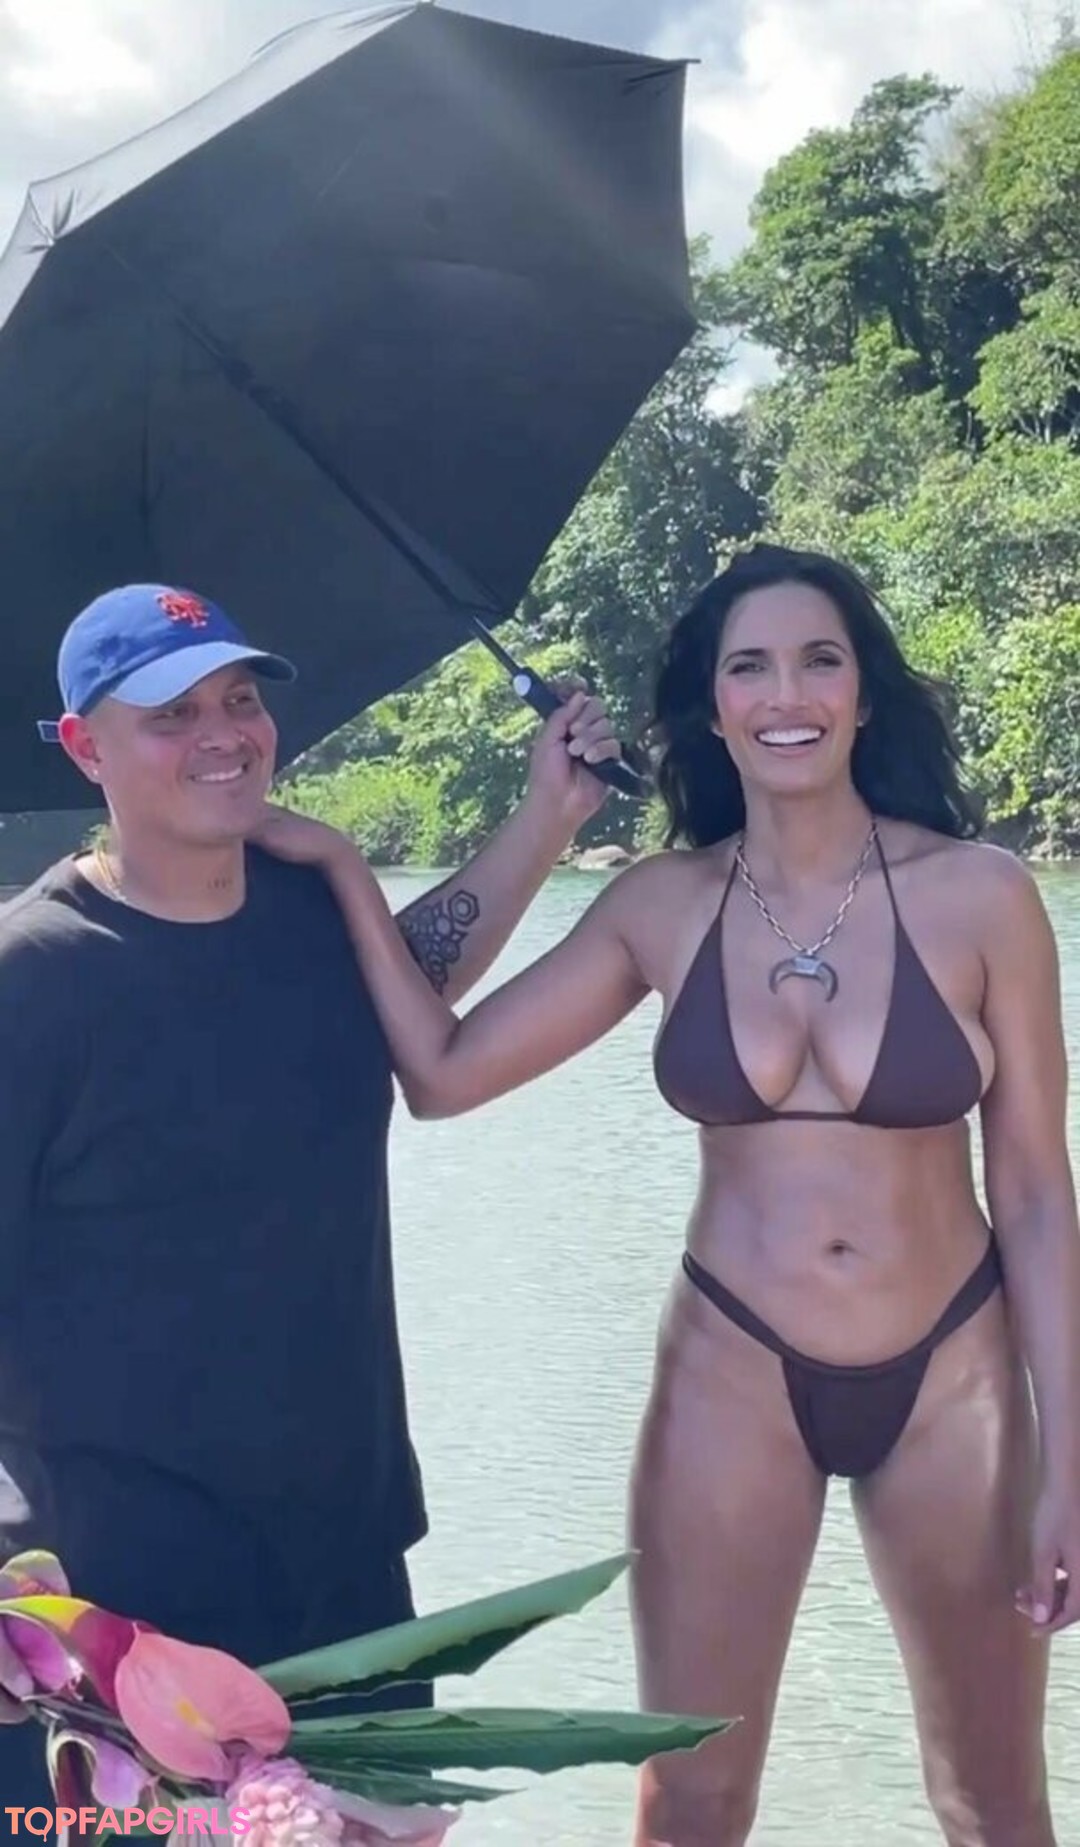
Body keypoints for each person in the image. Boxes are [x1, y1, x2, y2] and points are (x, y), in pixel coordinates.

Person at [254, 542, 1080, 1847]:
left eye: (820, 659)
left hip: (955, 1370)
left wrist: (1070, 1457)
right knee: (690, 1796)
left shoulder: (981, 895)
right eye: (749, 666)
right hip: (732, 1368)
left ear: (865, 692)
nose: (786, 693)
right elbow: (443, 1069)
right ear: (712, 705)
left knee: (995, 1801)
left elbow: (1033, 1189)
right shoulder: (662, 906)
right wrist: (381, 863)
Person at [0, 580, 622, 1804]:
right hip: (115, 1620)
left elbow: (415, 978)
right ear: (84, 746)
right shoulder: (31, 976)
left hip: (345, 1575)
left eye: (239, 698)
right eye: (172, 714)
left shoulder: (308, 911)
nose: (224, 733)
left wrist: (549, 811)